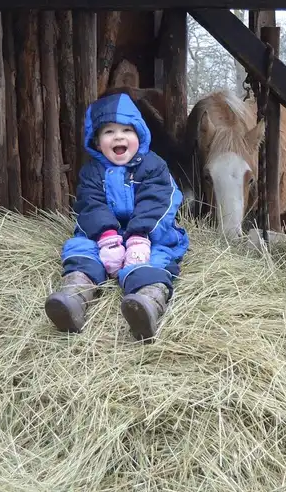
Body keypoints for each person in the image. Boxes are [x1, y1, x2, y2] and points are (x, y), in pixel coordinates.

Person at [45, 91, 190, 342]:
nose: (119, 136)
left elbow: (159, 202)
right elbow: (90, 205)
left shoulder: (154, 166)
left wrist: (139, 236)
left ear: (140, 135)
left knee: (157, 258)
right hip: (106, 236)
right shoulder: (92, 172)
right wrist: (107, 237)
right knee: (80, 249)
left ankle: (147, 303)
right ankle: (74, 297)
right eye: (109, 132)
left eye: (127, 130)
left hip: (149, 235)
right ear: (97, 140)